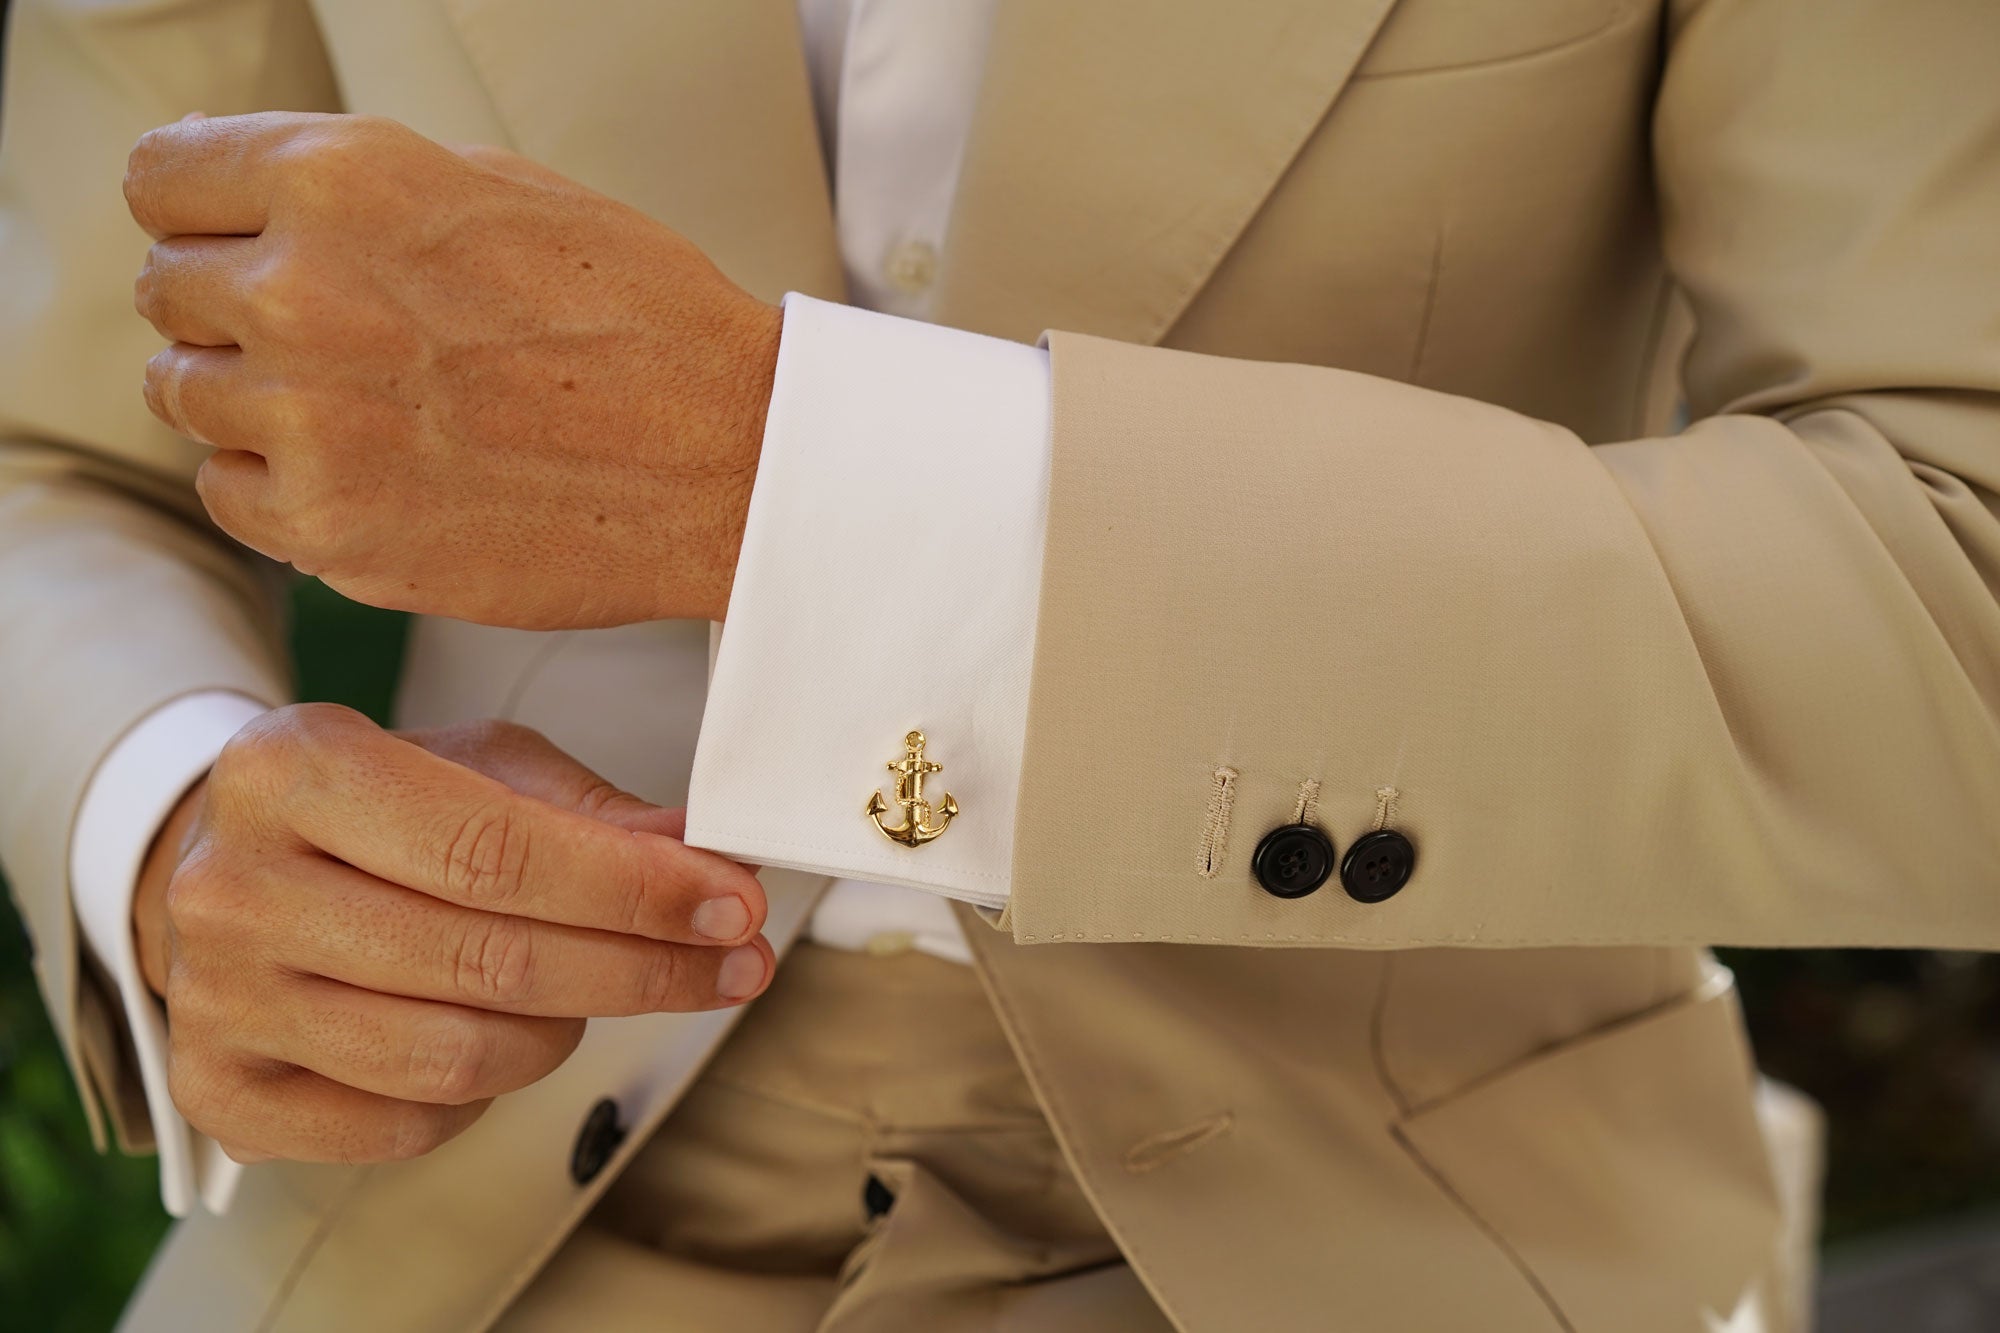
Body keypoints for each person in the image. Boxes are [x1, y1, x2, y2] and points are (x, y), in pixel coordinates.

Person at [5, 0, 1996, 1327]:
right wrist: (170, 808)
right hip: (448, 1214)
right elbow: (57, 453)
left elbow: (1957, 577)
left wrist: (808, 477)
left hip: (1406, 1210)